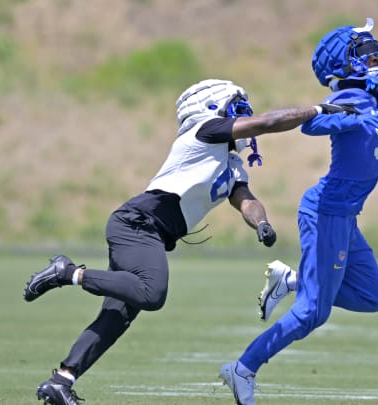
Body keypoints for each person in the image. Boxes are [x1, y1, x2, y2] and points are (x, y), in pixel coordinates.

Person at [21, 78, 358, 405]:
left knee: (118, 315)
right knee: (151, 292)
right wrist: (317, 109)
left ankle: (61, 381)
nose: (244, 112)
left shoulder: (230, 163)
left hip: (148, 230)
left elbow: (246, 199)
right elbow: (267, 122)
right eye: (236, 106)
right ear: (211, 106)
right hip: (138, 224)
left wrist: (262, 223)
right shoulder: (205, 131)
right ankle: (67, 272)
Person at [220, 1, 378, 403]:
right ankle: (242, 368)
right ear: (343, 67)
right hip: (325, 212)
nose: (375, 55)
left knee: (373, 297)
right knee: (312, 313)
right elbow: (311, 123)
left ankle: (292, 280)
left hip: (346, 215)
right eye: (363, 51)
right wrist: (346, 118)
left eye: (373, 47)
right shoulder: (348, 100)